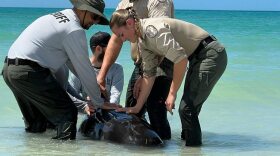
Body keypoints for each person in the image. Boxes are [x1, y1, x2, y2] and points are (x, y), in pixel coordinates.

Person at [110, 8, 228, 146]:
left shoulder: (152, 30)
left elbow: (180, 60)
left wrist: (172, 94)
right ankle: (190, 147)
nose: (122, 40)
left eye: (121, 34)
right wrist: (137, 107)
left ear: (129, 23)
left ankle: (192, 150)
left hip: (210, 54)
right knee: (188, 111)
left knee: (187, 109)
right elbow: (149, 75)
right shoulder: (143, 41)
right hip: (196, 58)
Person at [1, 0, 111, 140]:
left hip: (10, 71)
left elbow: (76, 66)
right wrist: (99, 103)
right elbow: (85, 71)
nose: (95, 22)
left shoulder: (57, 17)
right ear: (83, 10)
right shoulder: (74, 29)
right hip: (30, 72)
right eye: (94, 17)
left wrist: (95, 91)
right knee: (67, 114)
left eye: (98, 19)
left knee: (37, 123)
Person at [97, 0, 174, 140]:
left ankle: (164, 149)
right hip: (140, 63)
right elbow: (116, 40)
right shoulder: (123, 4)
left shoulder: (157, 2)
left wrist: (145, 75)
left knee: (155, 109)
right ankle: (139, 150)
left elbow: (161, 39)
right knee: (131, 110)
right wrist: (101, 75)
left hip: (163, 60)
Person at [68, 31, 124, 105]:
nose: (113, 51)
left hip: (110, 110)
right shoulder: (80, 68)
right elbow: (72, 97)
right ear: (98, 49)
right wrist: (87, 103)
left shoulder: (117, 68)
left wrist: (103, 100)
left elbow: (115, 98)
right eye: (110, 48)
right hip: (88, 110)